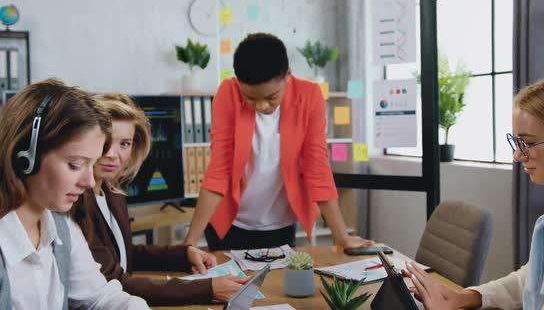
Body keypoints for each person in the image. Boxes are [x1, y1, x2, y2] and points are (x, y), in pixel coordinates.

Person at [406, 72, 544, 310]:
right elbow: (535, 276)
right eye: (516, 142)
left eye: (528, 143)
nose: (518, 155)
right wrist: (465, 297)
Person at [183, 32, 374, 250]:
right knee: (229, 283)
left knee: (277, 283)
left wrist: (341, 237)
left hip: (280, 225)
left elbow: (317, 168)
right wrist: (188, 244)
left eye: (271, 97)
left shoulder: (309, 96)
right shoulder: (228, 93)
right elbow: (219, 171)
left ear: (287, 76)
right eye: (251, 98)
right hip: (228, 224)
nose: (261, 106)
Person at [73, 94, 248, 306]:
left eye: (125, 144)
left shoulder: (111, 194)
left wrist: (184, 254)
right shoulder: (76, 201)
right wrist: (206, 288)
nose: (113, 154)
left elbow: (124, 254)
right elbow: (114, 281)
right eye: (106, 142)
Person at [0, 79, 148, 309]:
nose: (89, 182)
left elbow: (101, 298)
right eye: (76, 164)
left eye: (92, 164)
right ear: (26, 157)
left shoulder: (61, 228)